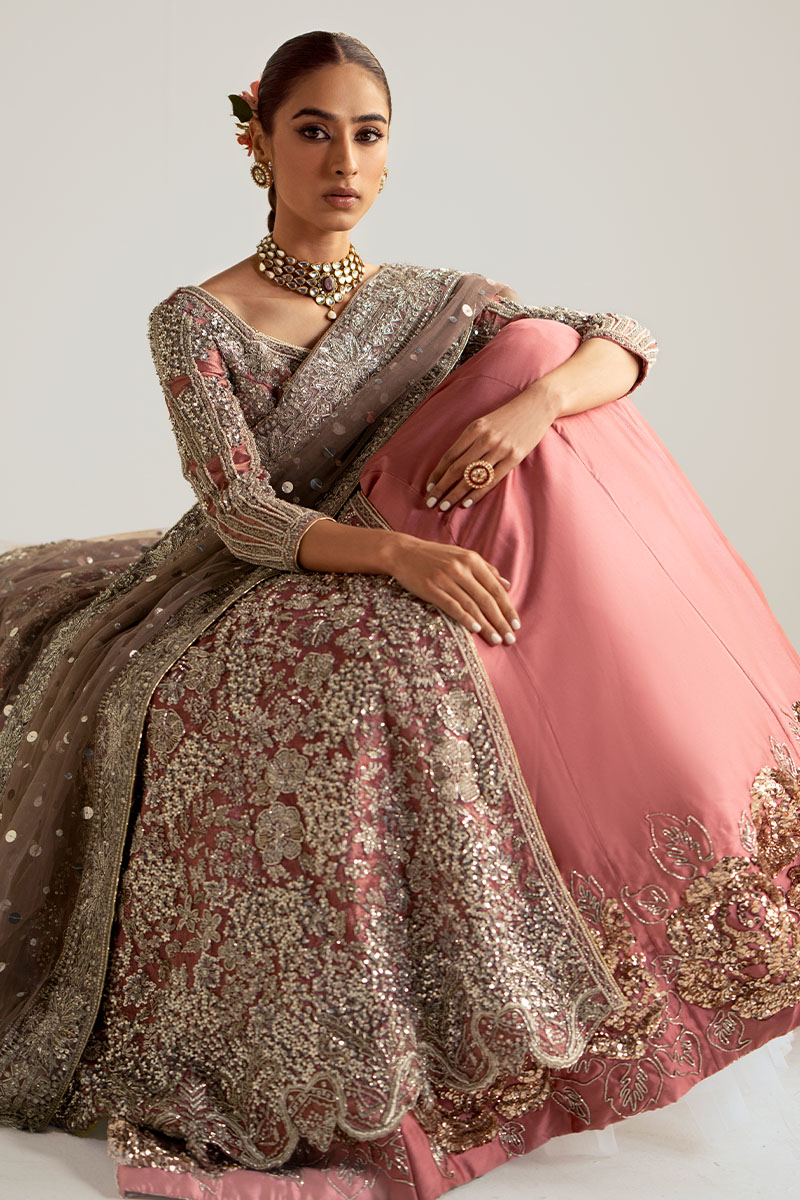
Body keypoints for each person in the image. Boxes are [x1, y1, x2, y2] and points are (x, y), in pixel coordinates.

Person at [1, 27, 799, 1200]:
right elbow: (238, 509)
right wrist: (397, 556)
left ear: (388, 149)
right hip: (269, 567)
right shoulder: (196, 318)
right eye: (312, 131)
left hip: (422, 549)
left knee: (537, 352)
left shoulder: (434, 301)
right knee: (380, 658)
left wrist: (534, 407)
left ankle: (665, 822)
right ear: (258, 143)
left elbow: (623, 343)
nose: (343, 162)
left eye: (366, 134)